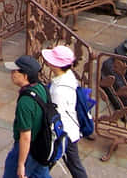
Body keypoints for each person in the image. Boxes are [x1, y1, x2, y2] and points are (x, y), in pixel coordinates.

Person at [41, 46, 88, 178]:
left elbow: (56, 116)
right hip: (69, 132)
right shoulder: (68, 76)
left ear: (56, 65)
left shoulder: (59, 91)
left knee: (52, 162)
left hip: (64, 134)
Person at [3, 55, 52, 178]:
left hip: (28, 150)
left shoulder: (25, 102)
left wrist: (21, 164)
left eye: (15, 71)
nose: (12, 73)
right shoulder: (41, 88)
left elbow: (25, 136)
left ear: (25, 75)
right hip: (41, 147)